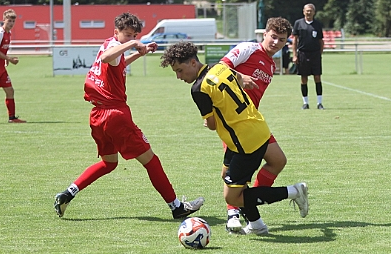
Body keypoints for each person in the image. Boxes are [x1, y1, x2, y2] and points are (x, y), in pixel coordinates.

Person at [53, 12, 204, 219]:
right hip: (115, 115)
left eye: (134, 34)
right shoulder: (112, 48)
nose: (131, 38)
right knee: (151, 161)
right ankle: (176, 207)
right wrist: (134, 44)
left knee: (109, 163)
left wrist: (139, 52)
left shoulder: (110, 45)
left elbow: (117, 62)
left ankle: (68, 193)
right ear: (116, 32)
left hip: (98, 115)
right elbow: (109, 57)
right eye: (127, 34)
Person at [161, 42, 308, 235]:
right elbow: (239, 77)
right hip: (256, 127)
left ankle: (294, 191)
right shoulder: (220, 67)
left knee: (233, 197)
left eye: (180, 70)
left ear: (193, 63)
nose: (179, 76)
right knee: (227, 176)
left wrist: (209, 121)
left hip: (244, 142)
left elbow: (212, 125)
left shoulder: (198, 89)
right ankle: (256, 224)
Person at [219, 17, 293, 233]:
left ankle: (247, 202)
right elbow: (219, 69)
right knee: (232, 171)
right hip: (234, 120)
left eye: (281, 40)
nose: (276, 43)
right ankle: (234, 211)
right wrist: (241, 77)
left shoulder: (271, 64)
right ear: (265, 34)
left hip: (253, 121)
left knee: (277, 160)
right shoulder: (248, 49)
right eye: (273, 37)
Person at [292, 3, 325, 110]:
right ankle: (305, 103)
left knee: (317, 77)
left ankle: (319, 103)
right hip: (303, 53)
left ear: (314, 12)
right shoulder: (298, 23)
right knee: (304, 78)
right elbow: (295, 40)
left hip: (315, 54)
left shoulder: (318, 24)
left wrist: (319, 53)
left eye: (311, 10)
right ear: (303, 11)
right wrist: (295, 55)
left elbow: (321, 41)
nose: (309, 12)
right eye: (307, 10)